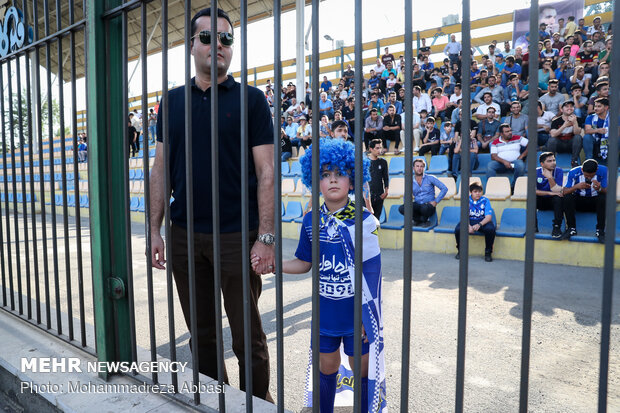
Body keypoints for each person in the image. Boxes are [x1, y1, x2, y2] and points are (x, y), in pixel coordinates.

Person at [150, 8, 274, 401]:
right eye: (207, 37)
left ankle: (256, 403)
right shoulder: (171, 103)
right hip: (185, 236)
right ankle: (215, 401)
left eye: (225, 38)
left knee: (247, 336)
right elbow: (160, 169)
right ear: (191, 45)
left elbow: (267, 172)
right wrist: (154, 229)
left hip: (238, 236)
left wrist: (266, 238)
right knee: (201, 335)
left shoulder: (252, 101)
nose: (217, 45)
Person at [259, 138, 386, 413]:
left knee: (361, 369)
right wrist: (273, 264)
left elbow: (373, 274)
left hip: (356, 315)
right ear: (315, 180)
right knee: (326, 366)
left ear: (352, 180)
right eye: (325, 174)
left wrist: (367, 316)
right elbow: (304, 263)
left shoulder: (366, 221)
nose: (332, 180)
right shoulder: (310, 220)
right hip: (326, 313)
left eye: (340, 173)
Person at [563, 159, 607, 243]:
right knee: (567, 197)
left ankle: (600, 230)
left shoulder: (604, 171)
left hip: (595, 202)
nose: (589, 178)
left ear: (596, 170)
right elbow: (564, 192)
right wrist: (576, 187)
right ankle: (571, 228)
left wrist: (600, 188)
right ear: (582, 170)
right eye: (586, 176)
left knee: (603, 198)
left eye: (592, 176)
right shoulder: (573, 172)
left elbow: (610, 191)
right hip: (579, 201)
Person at [399, 158, 448, 226]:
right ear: (413, 168)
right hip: (417, 204)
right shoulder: (410, 181)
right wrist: (407, 206)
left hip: (428, 206)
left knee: (424, 208)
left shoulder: (430, 178)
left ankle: (420, 220)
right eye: (417, 166)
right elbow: (406, 195)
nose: (419, 168)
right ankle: (420, 220)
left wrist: (436, 201)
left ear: (424, 168)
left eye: (421, 166)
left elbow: (444, 188)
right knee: (402, 208)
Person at [455, 182, 496, 262]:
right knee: (458, 229)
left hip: (482, 221)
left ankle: (488, 252)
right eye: (475, 191)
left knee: (490, 229)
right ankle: (460, 251)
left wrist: (479, 224)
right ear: (471, 192)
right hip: (469, 221)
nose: (478, 193)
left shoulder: (485, 200)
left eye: (479, 191)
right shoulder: (466, 200)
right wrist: (468, 226)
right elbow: (464, 215)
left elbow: (488, 217)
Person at [536, 152, 565, 239]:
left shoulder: (559, 171)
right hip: (541, 201)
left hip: (554, 202)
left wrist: (550, 178)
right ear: (542, 164)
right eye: (549, 161)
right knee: (532, 198)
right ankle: (533, 226)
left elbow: (557, 190)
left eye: (554, 160)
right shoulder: (535, 172)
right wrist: (549, 193)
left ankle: (556, 227)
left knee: (558, 197)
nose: (553, 163)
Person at [548, 100, 582, 168]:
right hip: (559, 144)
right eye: (567, 106)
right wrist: (564, 126)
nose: (569, 108)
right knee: (552, 140)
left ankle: (574, 161)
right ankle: (551, 162)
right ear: (561, 109)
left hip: (571, 144)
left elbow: (577, 133)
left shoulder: (578, 119)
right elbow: (553, 135)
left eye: (571, 106)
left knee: (578, 137)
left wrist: (575, 122)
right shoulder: (556, 121)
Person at [368, 139, 389, 221]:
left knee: (376, 220)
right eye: (377, 148)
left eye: (380, 148)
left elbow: (386, 177)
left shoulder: (383, 162)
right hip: (367, 196)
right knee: (366, 221)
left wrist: (386, 191)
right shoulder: (365, 162)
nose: (379, 150)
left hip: (379, 195)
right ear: (371, 149)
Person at [583, 97, 610, 163]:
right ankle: (589, 160)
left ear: (606, 107)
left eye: (599, 106)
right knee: (587, 137)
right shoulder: (590, 117)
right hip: (595, 141)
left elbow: (618, 133)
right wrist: (598, 130)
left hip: (609, 141)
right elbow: (587, 131)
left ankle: (614, 161)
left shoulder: (614, 117)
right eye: (595, 106)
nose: (595, 108)